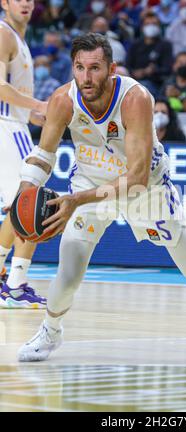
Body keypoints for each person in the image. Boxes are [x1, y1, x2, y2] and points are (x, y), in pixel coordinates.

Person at [16, 33, 186, 362]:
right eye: (79, 68)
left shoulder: (135, 99)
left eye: (95, 68)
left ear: (111, 69)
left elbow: (137, 178)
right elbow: (43, 156)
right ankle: (51, 331)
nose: (86, 77)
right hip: (90, 182)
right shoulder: (63, 100)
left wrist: (78, 200)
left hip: (145, 191)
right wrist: (24, 192)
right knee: (69, 272)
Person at [0, 0, 47, 308]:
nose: (26, 3)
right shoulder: (3, 34)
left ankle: (10, 280)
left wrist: (35, 114)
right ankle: (15, 285)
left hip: (13, 124)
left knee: (19, 206)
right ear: (4, 3)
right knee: (32, 203)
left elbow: (17, 95)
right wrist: (38, 106)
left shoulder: (18, 38)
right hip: (6, 126)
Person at [126, 10, 173, 98]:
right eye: (147, 24)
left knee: (143, 88)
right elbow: (127, 66)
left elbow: (168, 69)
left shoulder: (165, 45)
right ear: (142, 27)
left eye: (154, 24)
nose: (151, 27)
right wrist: (136, 73)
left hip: (157, 83)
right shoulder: (135, 45)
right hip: (134, 81)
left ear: (159, 27)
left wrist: (154, 70)